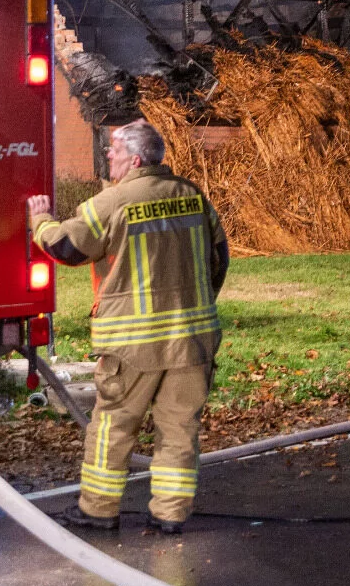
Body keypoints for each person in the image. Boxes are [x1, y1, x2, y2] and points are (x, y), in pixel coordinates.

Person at [26, 121, 229, 535]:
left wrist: (40, 220)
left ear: (135, 159)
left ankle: (98, 510)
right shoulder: (192, 196)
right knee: (179, 429)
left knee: (113, 427)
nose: (108, 158)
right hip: (193, 341)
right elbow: (219, 257)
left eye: (113, 152)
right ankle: (170, 515)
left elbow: (66, 247)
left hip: (132, 346)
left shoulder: (113, 201)